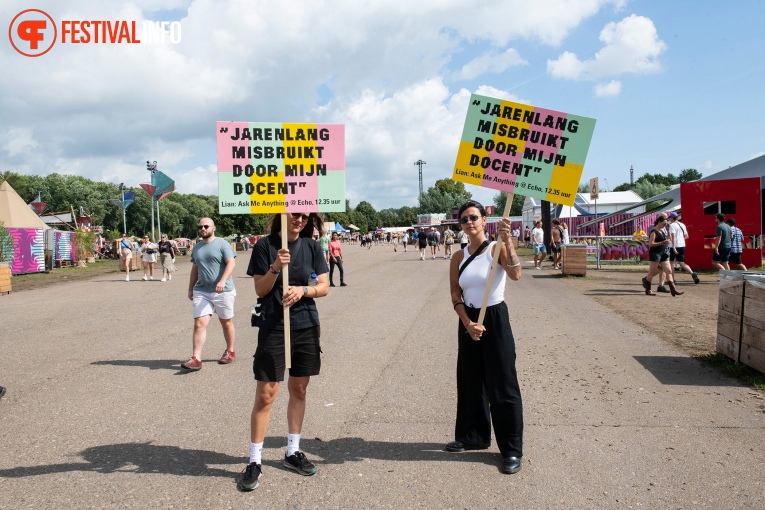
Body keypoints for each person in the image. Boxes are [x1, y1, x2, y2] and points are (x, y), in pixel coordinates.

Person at [238, 212, 329, 492]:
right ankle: (255, 460)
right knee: (266, 393)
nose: (299, 219)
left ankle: (292, 451)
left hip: (304, 325)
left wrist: (304, 290)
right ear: (282, 214)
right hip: (273, 325)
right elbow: (260, 288)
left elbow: (323, 287)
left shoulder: (313, 247)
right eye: (294, 214)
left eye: (304, 215)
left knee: (299, 389)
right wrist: (276, 265)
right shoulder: (265, 246)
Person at [446, 200, 524, 475]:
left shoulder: (495, 248)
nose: (469, 222)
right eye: (464, 218)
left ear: (484, 220)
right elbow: (455, 294)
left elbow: (516, 274)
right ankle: (473, 436)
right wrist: (467, 323)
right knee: (470, 380)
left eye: (474, 217)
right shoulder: (458, 256)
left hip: (494, 318)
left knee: (502, 383)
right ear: (460, 224)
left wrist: (508, 242)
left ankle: (511, 449)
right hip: (468, 321)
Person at [181, 218, 237, 371]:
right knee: (199, 323)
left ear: (213, 228)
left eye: (206, 226)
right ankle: (196, 358)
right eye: (200, 227)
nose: (203, 229)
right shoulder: (197, 247)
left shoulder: (222, 244)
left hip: (223, 291)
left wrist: (222, 281)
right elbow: (195, 269)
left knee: (226, 322)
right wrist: (190, 288)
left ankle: (230, 350)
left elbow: (231, 263)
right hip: (202, 290)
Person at [641, 215, 683, 296]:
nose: (665, 225)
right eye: (664, 223)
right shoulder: (654, 231)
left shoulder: (663, 231)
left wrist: (668, 231)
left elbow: (669, 239)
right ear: (659, 222)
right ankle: (648, 289)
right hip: (655, 253)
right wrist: (662, 242)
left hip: (664, 253)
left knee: (669, 271)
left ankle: (673, 289)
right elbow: (651, 243)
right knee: (652, 272)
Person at [668, 212, 700, 284]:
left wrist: (673, 246)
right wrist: (681, 240)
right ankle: (692, 273)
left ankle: (672, 279)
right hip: (682, 245)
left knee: (671, 263)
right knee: (681, 262)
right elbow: (686, 236)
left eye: (670, 217)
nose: (669, 219)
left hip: (674, 246)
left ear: (672, 218)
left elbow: (673, 235)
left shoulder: (672, 225)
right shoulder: (682, 225)